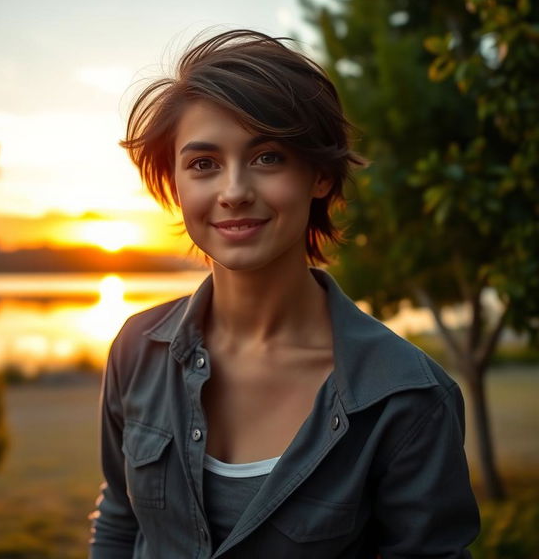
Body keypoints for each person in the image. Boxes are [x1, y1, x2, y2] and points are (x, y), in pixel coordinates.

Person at [87, 28, 480, 558]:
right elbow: (120, 521)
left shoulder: (406, 401)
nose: (233, 192)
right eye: (203, 164)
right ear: (175, 183)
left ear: (319, 175)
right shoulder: (137, 351)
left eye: (268, 157)